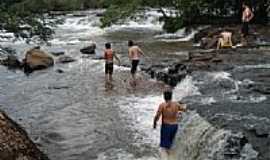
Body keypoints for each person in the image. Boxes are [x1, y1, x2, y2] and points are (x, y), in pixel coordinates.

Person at [153, 91, 187, 158]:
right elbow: (184, 109)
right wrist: (183, 104)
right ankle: (172, 157)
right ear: (171, 96)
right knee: (171, 144)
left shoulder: (162, 105)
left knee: (164, 147)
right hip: (175, 126)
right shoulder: (176, 104)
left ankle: (166, 158)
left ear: (164, 97)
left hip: (166, 126)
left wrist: (154, 123)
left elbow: (157, 116)